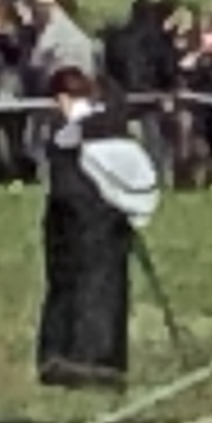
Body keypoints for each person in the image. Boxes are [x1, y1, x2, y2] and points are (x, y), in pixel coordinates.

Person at [37, 70, 154, 388]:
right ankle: (105, 359)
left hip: (75, 221)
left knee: (73, 288)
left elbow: (65, 184)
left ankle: (70, 357)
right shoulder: (115, 128)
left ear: (61, 99)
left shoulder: (72, 135)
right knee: (107, 288)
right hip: (112, 220)